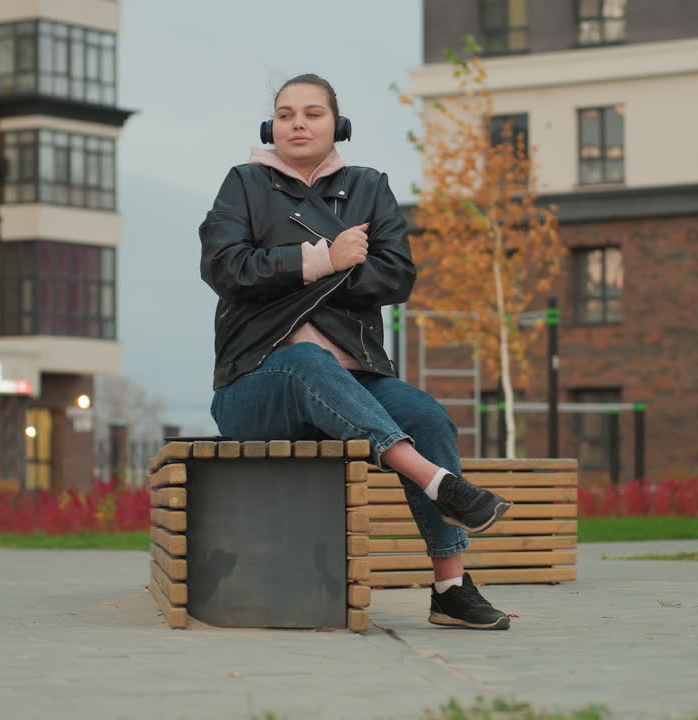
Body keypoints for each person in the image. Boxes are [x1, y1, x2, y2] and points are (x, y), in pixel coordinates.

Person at [199, 73, 514, 630]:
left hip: (355, 382)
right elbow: (225, 268)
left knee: (427, 414)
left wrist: (304, 266)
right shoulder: (243, 184)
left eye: (313, 112)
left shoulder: (369, 185)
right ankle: (437, 482)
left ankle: (451, 586)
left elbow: (395, 277)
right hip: (255, 384)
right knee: (306, 361)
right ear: (269, 126)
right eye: (286, 113)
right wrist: (326, 257)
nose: (298, 122)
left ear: (337, 124)